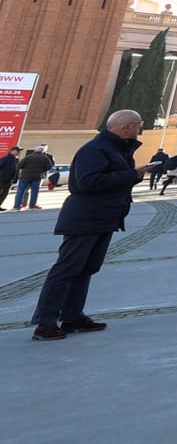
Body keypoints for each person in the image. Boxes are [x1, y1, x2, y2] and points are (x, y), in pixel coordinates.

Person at [30, 109, 146, 341]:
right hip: (85, 218)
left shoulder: (115, 148)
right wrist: (132, 174)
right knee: (66, 270)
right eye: (138, 125)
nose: (140, 129)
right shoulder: (96, 149)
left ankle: (73, 316)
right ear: (127, 127)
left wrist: (133, 175)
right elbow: (87, 183)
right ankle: (45, 323)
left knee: (87, 268)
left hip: (104, 217)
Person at [14, 143, 54, 211]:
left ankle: (17, 206)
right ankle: (32, 206)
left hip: (25, 176)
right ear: (42, 151)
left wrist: (24, 169)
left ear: (35, 150)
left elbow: (18, 165)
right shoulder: (45, 158)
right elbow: (49, 166)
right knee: (34, 192)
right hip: (37, 177)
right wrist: (42, 169)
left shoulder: (28, 157)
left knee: (20, 191)